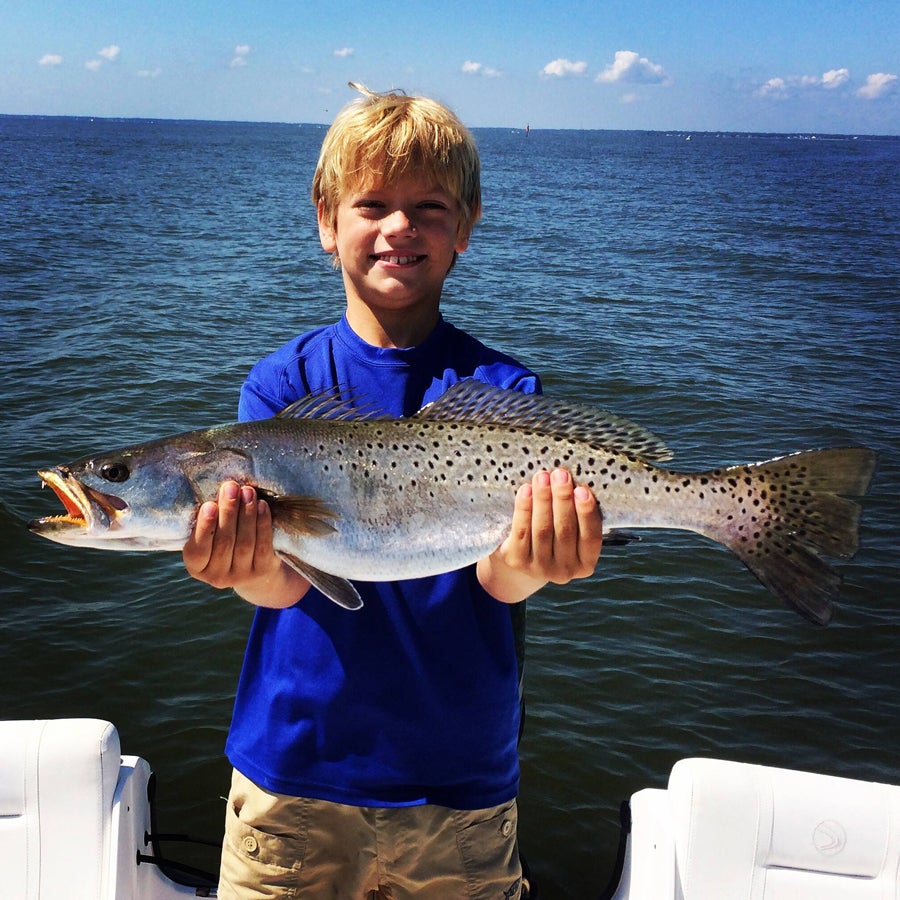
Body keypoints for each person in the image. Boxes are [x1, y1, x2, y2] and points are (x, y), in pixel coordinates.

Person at [183, 84, 604, 900]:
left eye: (430, 207)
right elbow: (285, 583)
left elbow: (497, 582)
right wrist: (239, 568)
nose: (399, 226)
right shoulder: (280, 388)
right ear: (325, 220)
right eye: (371, 203)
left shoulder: (504, 387)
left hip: (460, 784)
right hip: (297, 776)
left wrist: (541, 561)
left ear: (466, 230)